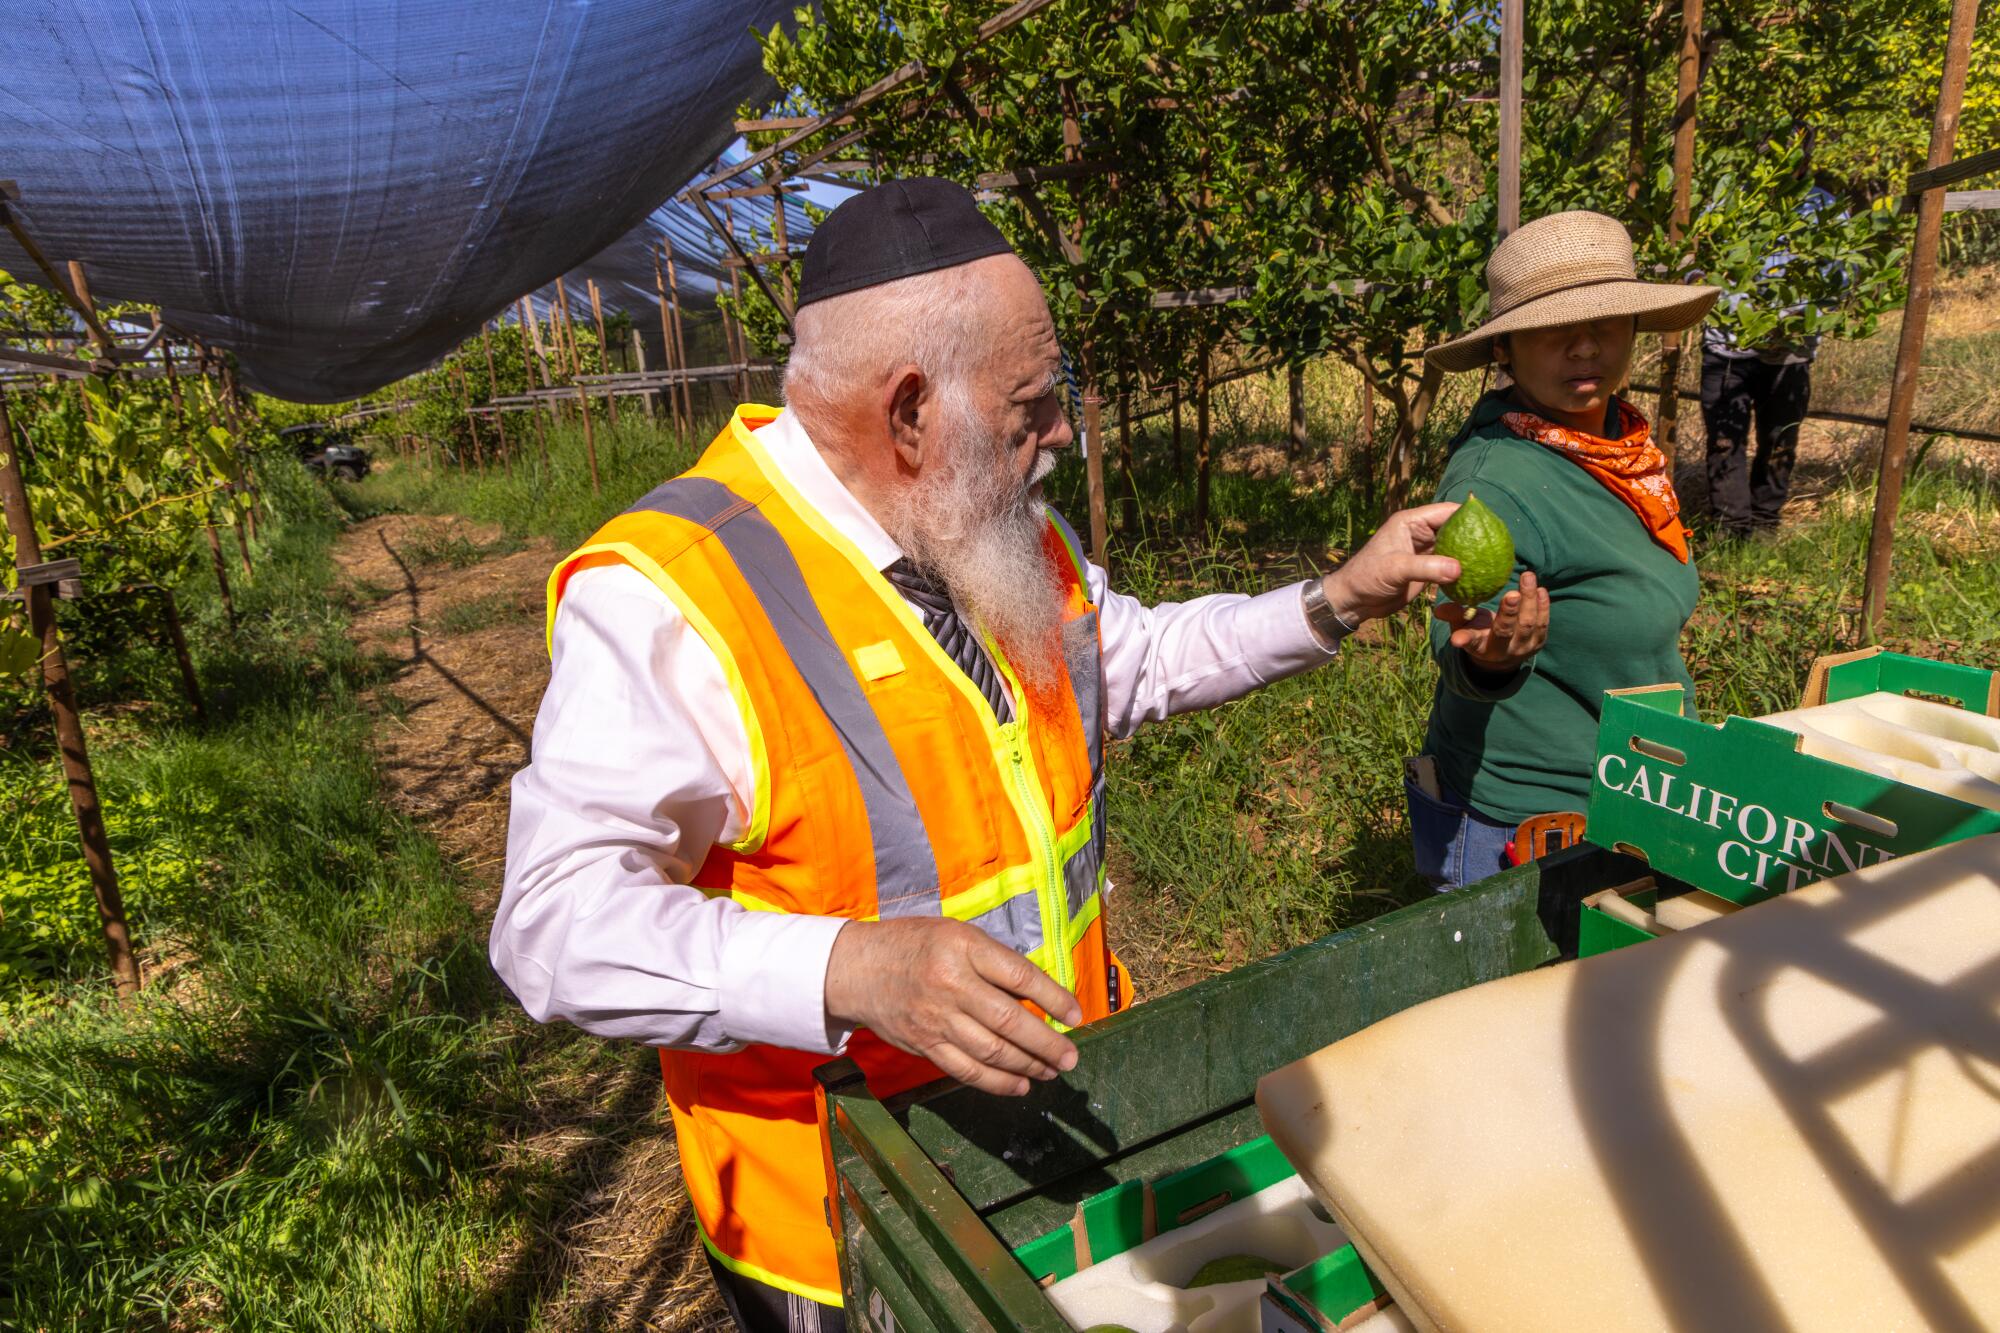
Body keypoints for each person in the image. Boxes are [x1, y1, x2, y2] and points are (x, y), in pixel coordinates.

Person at [489, 178, 1463, 1332]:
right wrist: (847, 968)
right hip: (848, 1229)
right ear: (909, 414)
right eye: (1032, 405)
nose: (1060, 436)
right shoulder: (679, 595)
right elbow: (550, 925)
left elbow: (1125, 662)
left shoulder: (987, 518)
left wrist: (1331, 600)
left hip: (1046, 1143)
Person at [1409, 210, 1720, 890]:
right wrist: (1491, 657)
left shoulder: (1621, 448)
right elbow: (1459, 636)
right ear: (1505, 350)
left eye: (1606, 321)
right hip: (1532, 833)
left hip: (1638, 794)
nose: (1585, 346)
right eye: (1555, 328)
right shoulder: (1498, 481)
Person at [1701, 187, 1843, 537]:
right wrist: (1696, 280)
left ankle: (1765, 524)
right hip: (1727, 346)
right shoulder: (1727, 199)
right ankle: (1729, 530)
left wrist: (1796, 319)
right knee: (1724, 442)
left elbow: (1838, 277)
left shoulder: (1822, 206)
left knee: (1780, 440)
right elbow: (1697, 255)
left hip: (1789, 350)